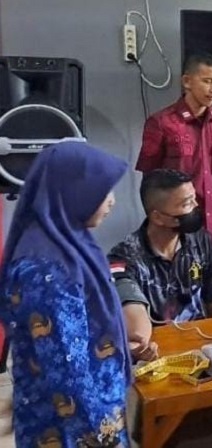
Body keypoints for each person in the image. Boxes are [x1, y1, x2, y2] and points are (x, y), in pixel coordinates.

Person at [0, 142, 132, 447]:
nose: (112, 201)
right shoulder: (46, 268)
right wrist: (102, 431)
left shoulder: (69, 242)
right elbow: (65, 365)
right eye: (103, 192)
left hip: (95, 407)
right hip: (73, 425)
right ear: (72, 192)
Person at [108, 169, 212, 362]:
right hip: (154, 355)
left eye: (194, 199)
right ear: (158, 217)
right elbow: (132, 317)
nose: (196, 206)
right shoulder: (123, 259)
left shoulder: (201, 241)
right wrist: (140, 346)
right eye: (186, 203)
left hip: (202, 348)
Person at [136, 51, 212, 250]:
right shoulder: (161, 123)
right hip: (176, 230)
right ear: (187, 81)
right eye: (207, 81)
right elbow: (150, 182)